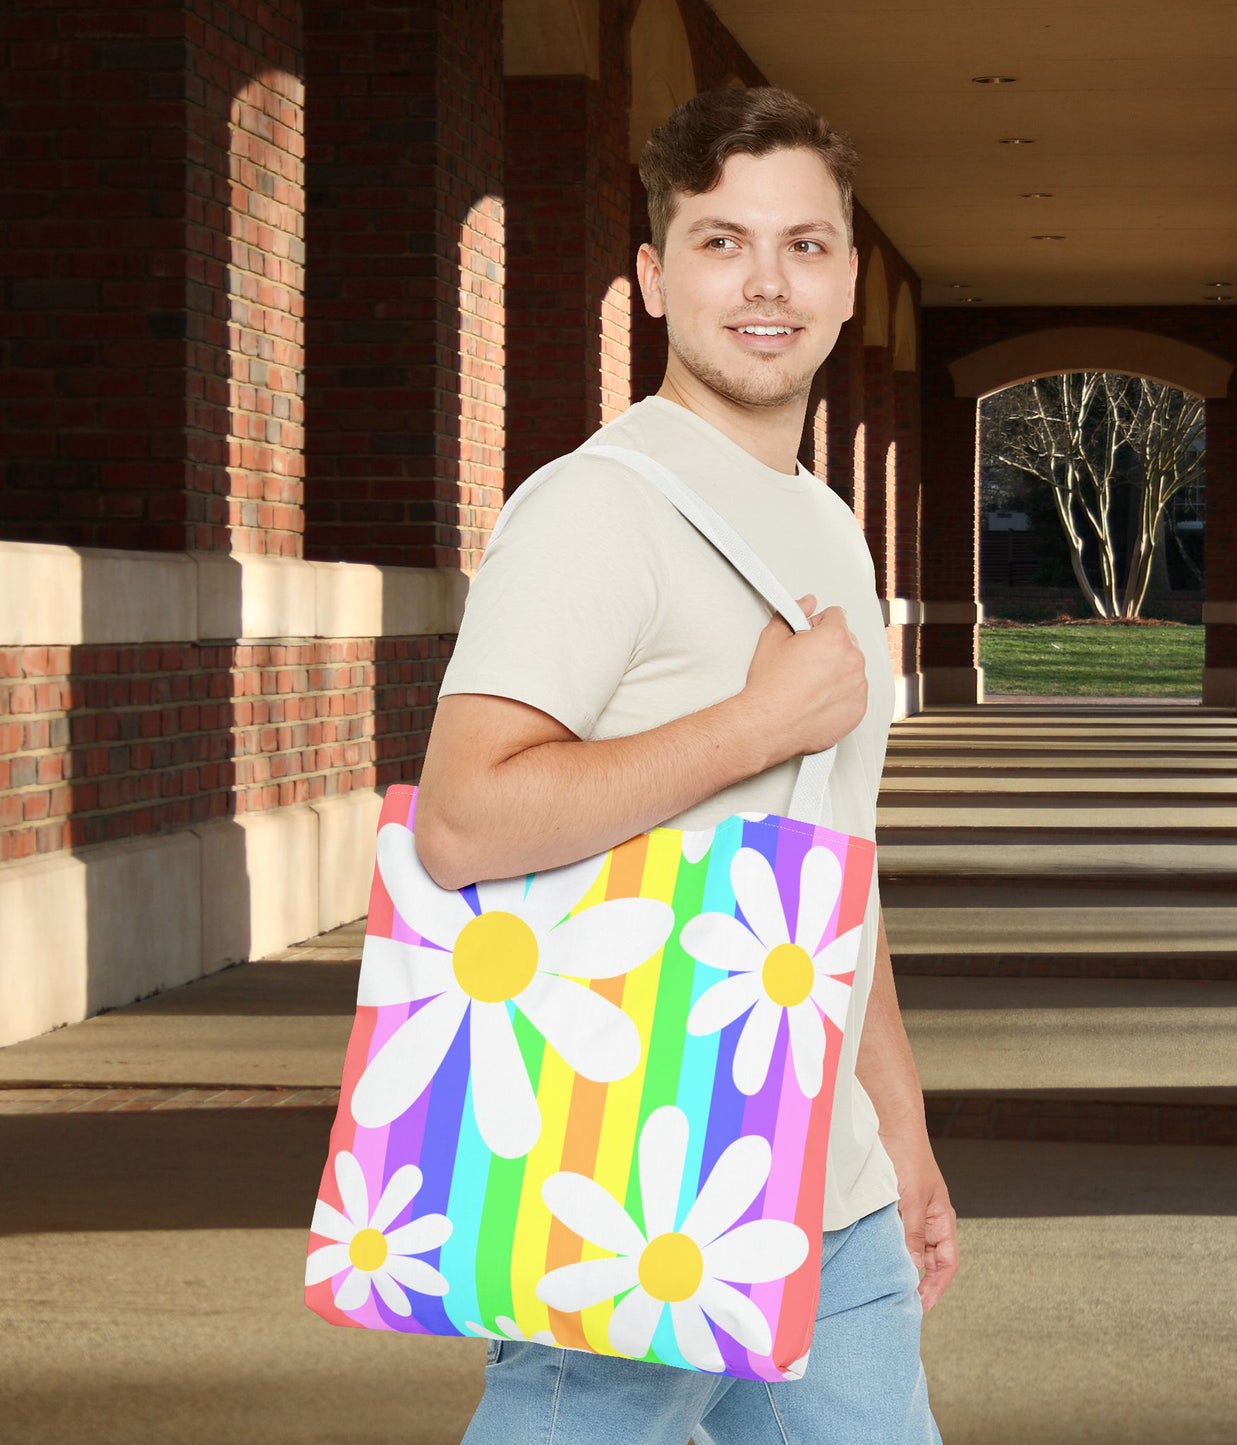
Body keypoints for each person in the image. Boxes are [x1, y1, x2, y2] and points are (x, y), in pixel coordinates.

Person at [414, 84, 957, 1445]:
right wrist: (751, 725)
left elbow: (836, 860)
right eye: (721, 243)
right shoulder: (593, 508)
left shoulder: (823, 525)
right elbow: (462, 819)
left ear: (840, 283)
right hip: (647, 1171)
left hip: (830, 1202)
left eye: (803, 245)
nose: (764, 282)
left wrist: (899, 1132)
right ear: (655, 278)